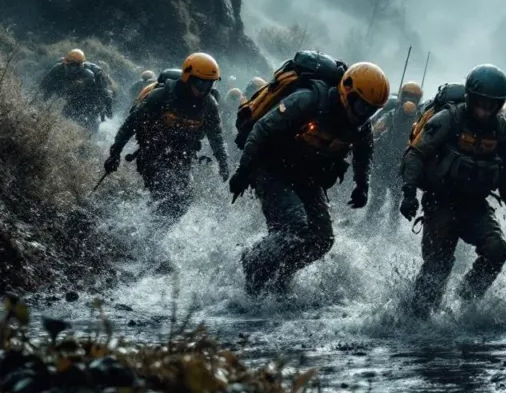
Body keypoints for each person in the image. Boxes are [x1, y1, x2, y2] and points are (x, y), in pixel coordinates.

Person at [229, 62, 388, 296]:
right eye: (361, 105)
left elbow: (364, 155)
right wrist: (243, 172)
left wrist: (362, 185)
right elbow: (261, 130)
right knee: (294, 227)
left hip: (310, 178)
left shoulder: (361, 128)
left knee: (323, 239)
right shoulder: (309, 101)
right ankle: (253, 262)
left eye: (370, 110)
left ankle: (281, 276)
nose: (363, 113)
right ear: (347, 91)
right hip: (272, 170)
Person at [399, 64, 506, 317]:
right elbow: (416, 154)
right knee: (438, 266)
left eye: (492, 105)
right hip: (441, 202)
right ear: (470, 98)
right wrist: (409, 193)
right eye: (481, 103)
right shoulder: (449, 119)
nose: (485, 111)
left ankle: (464, 301)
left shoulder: (502, 130)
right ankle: (413, 316)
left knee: (497, 250)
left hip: (476, 205)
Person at [104, 53, 229, 233]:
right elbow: (130, 125)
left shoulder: (209, 105)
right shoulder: (161, 96)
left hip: (182, 157)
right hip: (151, 152)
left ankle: (149, 233)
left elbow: (216, 136)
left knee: (183, 200)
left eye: (210, 84)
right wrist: (114, 154)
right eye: (200, 83)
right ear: (187, 77)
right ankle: (143, 233)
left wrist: (223, 162)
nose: (204, 89)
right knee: (164, 192)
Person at [364, 100, 419, 231]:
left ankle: (386, 228)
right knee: (381, 198)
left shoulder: (409, 121)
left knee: (392, 202)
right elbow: (376, 132)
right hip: (385, 164)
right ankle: (371, 223)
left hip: (396, 167)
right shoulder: (391, 117)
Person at [39, 48, 114, 132]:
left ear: (80, 65)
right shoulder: (58, 68)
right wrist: (41, 100)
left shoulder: (89, 74)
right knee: (67, 114)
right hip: (74, 97)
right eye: (69, 64)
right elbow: (46, 83)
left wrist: (108, 110)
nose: (71, 68)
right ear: (65, 62)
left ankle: (91, 136)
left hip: (91, 100)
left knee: (88, 120)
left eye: (74, 65)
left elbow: (105, 94)